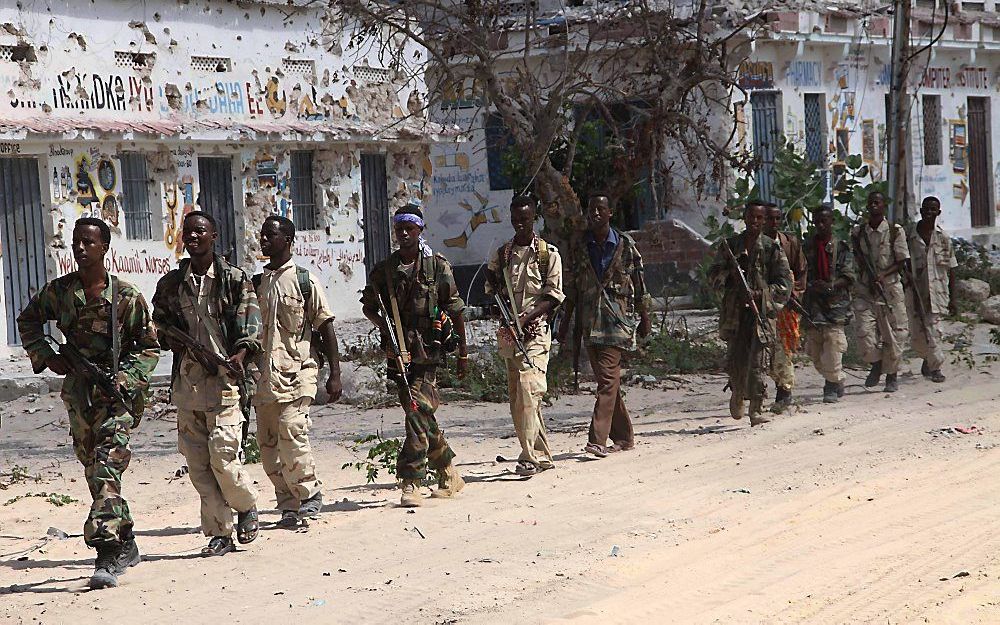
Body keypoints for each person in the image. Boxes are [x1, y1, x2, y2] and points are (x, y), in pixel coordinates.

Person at [17, 218, 160, 589]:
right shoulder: (61, 292)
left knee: (104, 470)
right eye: (76, 242)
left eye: (88, 242)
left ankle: (106, 553)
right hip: (80, 396)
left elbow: (148, 347)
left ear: (104, 248)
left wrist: (125, 379)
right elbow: (28, 321)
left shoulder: (126, 298)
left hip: (117, 399)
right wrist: (48, 355)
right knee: (93, 469)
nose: (80, 248)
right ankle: (126, 539)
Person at [152, 211, 260, 556]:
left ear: (214, 236)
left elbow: (250, 332)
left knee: (224, 460)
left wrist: (237, 360)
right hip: (188, 387)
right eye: (188, 232)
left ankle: (245, 506)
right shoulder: (171, 284)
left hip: (225, 384)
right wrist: (173, 340)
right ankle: (219, 533)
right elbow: (160, 325)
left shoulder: (233, 280)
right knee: (198, 466)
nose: (193, 237)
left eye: (200, 231)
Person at [360, 203, 468, 507]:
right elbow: (369, 306)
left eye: (409, 229)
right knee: (420, 414)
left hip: (429, 350)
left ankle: (411, 481)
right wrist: (387, 327)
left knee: (416, 411)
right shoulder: (385, 271)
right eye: (399, 229)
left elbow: (456, 310)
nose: (404, 234)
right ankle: (448, 472)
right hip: (398, 352)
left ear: (420, 230)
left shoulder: (437, 267)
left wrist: (462, 352)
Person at [253, 215, 343, 527]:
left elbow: (325, 327)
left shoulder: (306, 281)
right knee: (267, 446)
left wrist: (335, 373)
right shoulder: (256, 284)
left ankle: (309, 494)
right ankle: (287, 503)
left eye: (271, 235)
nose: (264, 240)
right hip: (265, 376)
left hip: (299, 370)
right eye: (263, 235)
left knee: (292, 432)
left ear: (288, 240)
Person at [557, 195, 652, 457]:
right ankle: (624, 436)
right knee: (608, 383)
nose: (595, 214)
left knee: (607, 381)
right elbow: (573, 289)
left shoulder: (626, 246)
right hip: (590, 323)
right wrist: (565, 325)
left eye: (600, 209)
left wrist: (645, 320)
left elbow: (640, 287)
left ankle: (597, 440)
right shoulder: (581, 246)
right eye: (592, 209)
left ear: (610, 213)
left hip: (616, 324)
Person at [485, 196, 564, 476]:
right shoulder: (503, 254)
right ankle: (541, 454)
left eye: (525, 219)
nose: (520, 224)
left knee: (530, 386)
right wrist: (504, 312)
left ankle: (527, 457)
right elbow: (490, 286)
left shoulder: (547, 254)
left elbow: (553, 297)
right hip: (509, 335)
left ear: (534, 218)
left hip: (536, 333)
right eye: (515, 219)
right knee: (519, 397)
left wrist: (525, 318)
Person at [708, 203, 792, 426]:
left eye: (759, 217)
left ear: (764, 220)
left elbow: (784, 285)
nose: (755, 221)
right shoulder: (731, 246)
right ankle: (737, 392)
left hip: (761, 315)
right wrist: (730, 277)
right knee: (736, 360)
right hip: (735, 314)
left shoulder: (772, 249)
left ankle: (757, 408)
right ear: (744, 218)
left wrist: (759, 294)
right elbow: (713, 275)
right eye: (751, 217)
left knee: (759, 362)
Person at [850, 191, 910, 393]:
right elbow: (858, 258)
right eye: (871, 203)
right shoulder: (858, 233)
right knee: (864, 332)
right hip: (866, 289)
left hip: (890, 289)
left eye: (877, 202)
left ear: (884, 206)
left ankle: (891, 375)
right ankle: (875, 363)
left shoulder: (894, 231)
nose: (874, 206)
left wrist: (882, 275)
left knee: (895, 334)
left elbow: (902, 261)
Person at [802, 205, 856, 403]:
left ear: (832, 221)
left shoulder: (841, 247)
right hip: (813, 307)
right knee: (815, 353)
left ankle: (831, 386)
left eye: (824, 220)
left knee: (833, 348)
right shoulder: (807, 247)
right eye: (817, 221)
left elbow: (849, 276)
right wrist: (810, 286)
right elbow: (800, 271)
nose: (820, 225)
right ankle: (837, 379)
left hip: (835, 307)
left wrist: (831, 286)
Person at [905, 196, 958, 383]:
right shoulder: (910, 235)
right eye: (926, 209)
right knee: (917, 335)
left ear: (938, 212)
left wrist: (953, 299)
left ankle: (936, 368)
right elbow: (902, 261)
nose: (929, 213)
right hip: (915, 292)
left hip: (937, 292)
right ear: (921, 211)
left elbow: (952, 268)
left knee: (934, 331)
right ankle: (927, 358)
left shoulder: (943, 238)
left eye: (933, 210)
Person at [763, 203, 808, 412]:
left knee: (784, 348)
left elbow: (801, 272)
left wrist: (794, 294)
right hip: (764, 304)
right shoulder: (755, 244)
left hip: (787, 306)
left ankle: (785, 390)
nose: (773, 223)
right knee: (768, 349)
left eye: (777, 219)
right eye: (769, 219)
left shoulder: (790, 243)